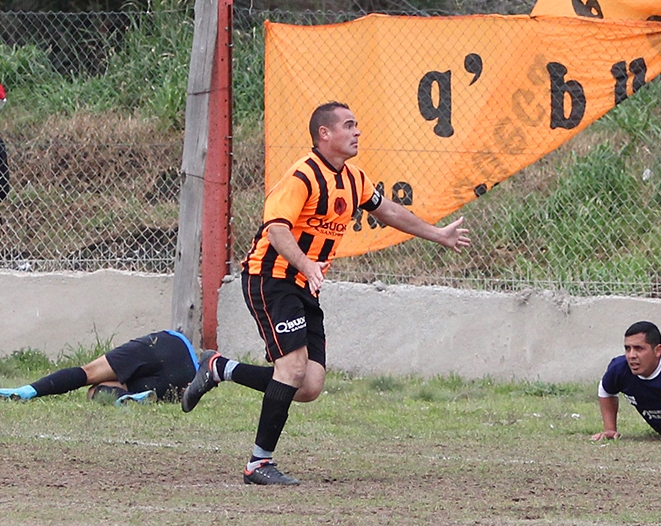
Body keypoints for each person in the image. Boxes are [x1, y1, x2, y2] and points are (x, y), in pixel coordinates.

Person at [181, 101, 470, 486]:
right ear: (325, 134)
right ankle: (258, 464)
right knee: (292, 368)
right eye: (349, 125)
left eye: (356, 125)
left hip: (304, 284)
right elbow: (276, 230)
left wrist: (438, 234)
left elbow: (389, 212)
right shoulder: (302, 176)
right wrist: (306, 264)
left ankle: (220, 368)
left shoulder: (354, 180)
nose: (357, 132)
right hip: (271, 278)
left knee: (309, 385)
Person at [0, 330, 199, 404]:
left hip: (170, 344)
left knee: (89, 374)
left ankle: (27, 391)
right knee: (95, 391)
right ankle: (129, 398)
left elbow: (88, 374)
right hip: (187, 378)